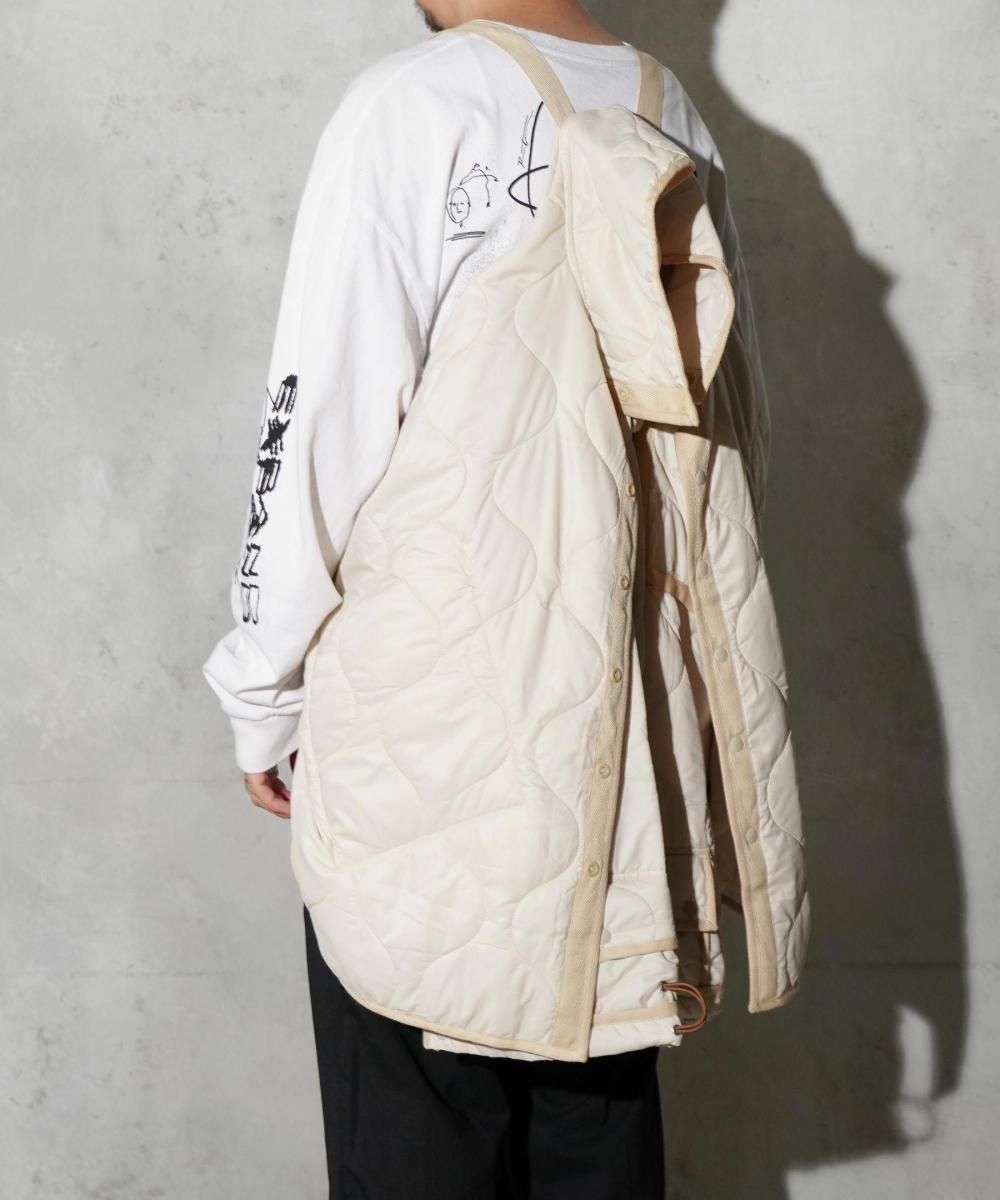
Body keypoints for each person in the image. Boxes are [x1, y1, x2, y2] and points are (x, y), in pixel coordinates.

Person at [202, 2, 772, 1195]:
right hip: (623, 761)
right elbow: (732, 446)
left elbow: (316, 430)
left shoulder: (412, 105)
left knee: (420, 1119)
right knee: (595, 1120)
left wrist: (261, 688)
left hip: (433, 746)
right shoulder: (673, 112)